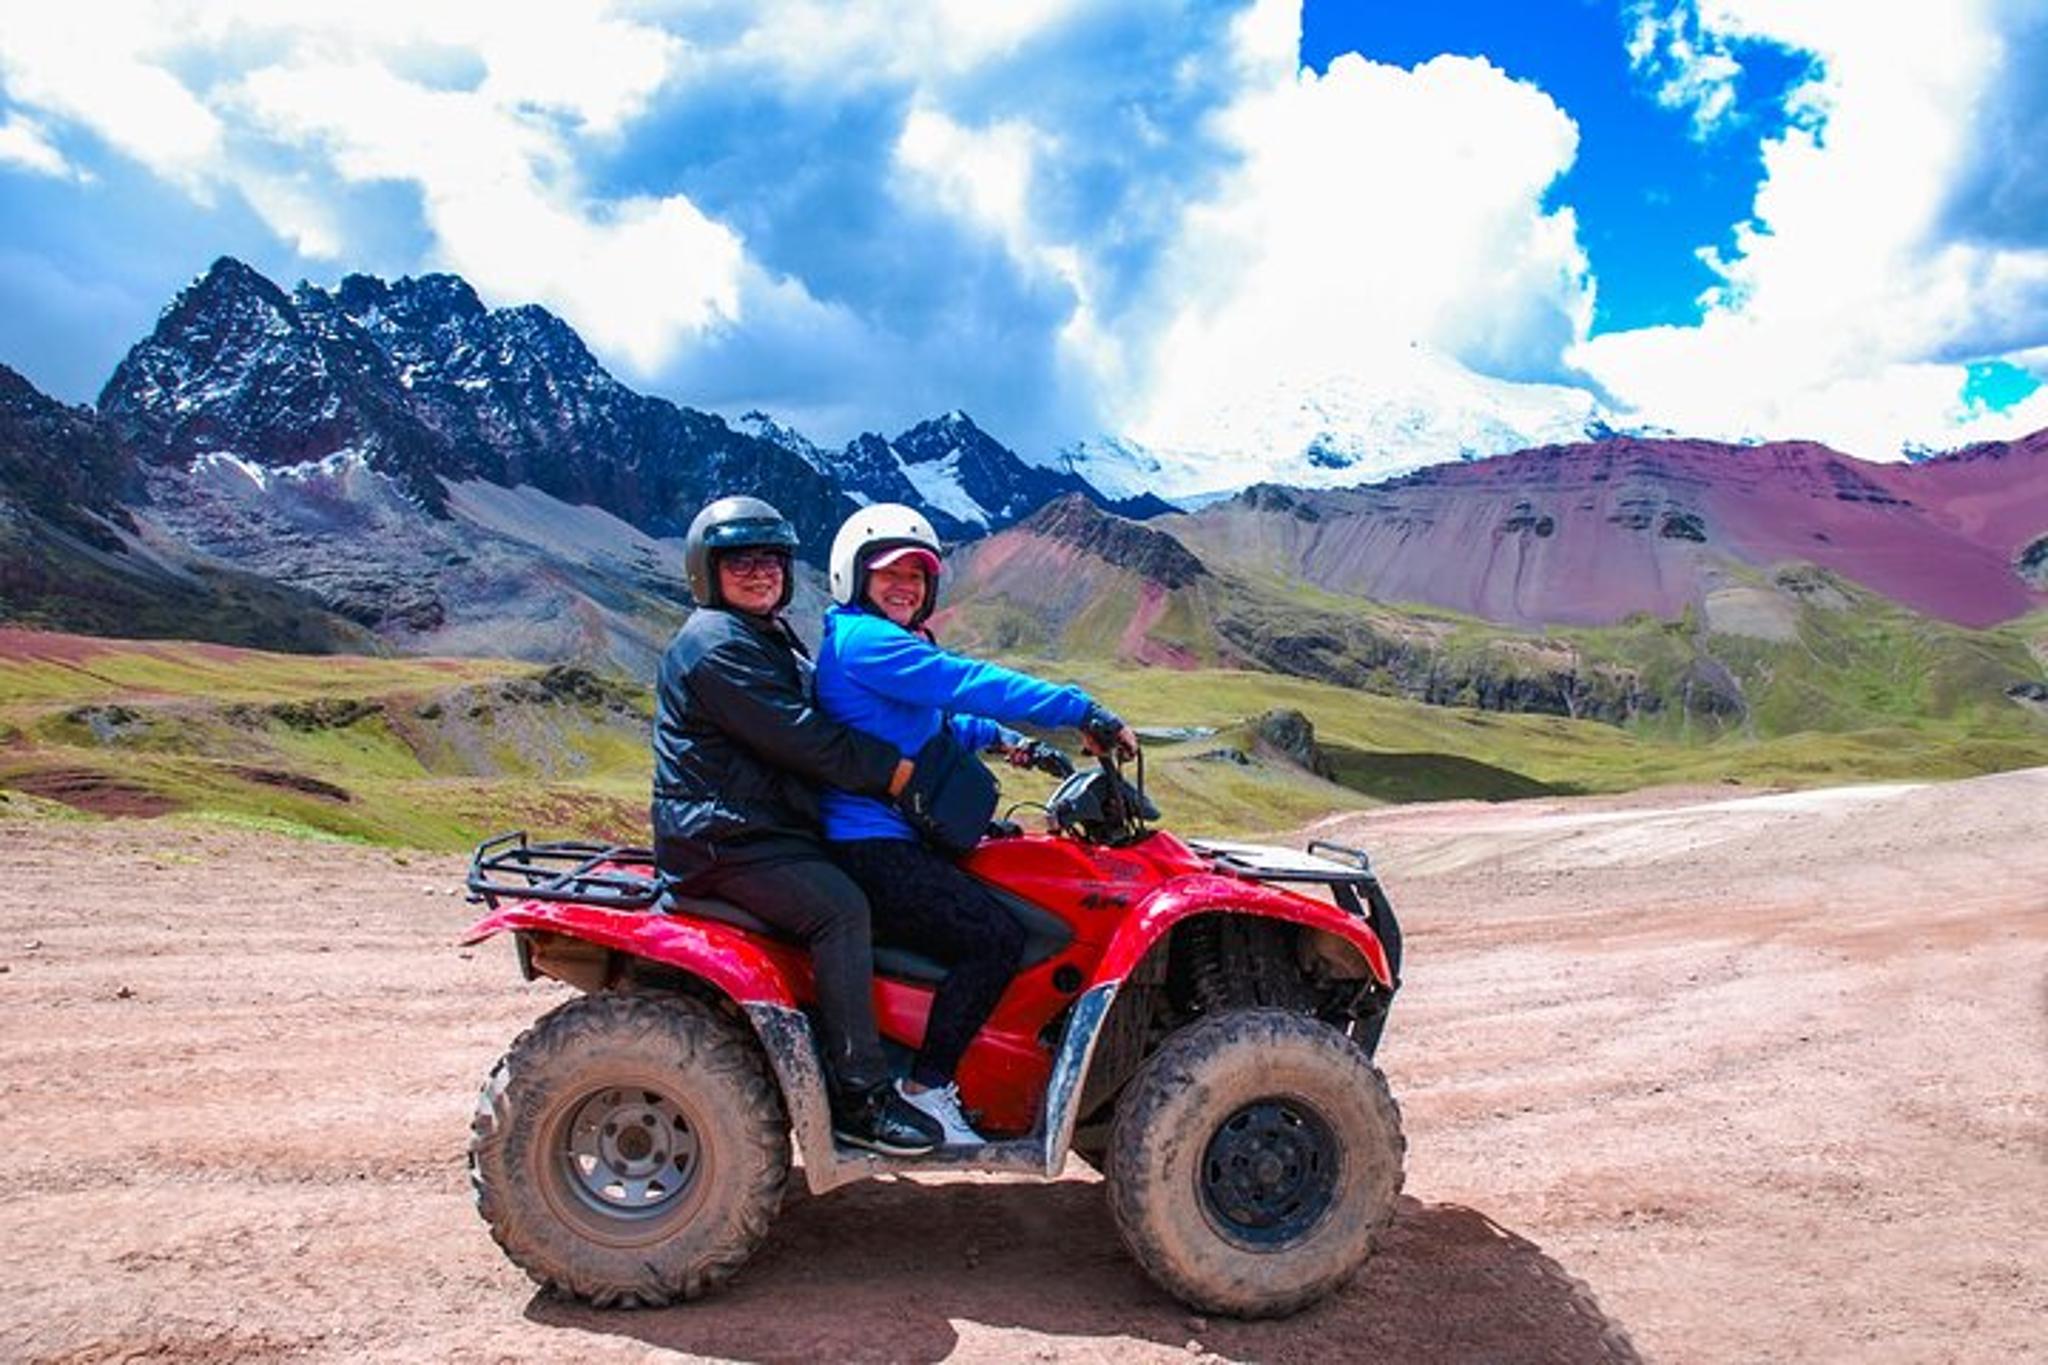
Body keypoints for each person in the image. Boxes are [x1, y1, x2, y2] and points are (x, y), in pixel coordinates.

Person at [814, 504, 1138, 1146]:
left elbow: (932, 724)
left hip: (895, 836)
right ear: (855, 576)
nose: (905, 586)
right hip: (872, 847)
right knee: (995, 938)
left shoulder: (873, 643)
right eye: (890, 573)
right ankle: (928, 1089)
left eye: (917, 575)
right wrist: (1080, 711)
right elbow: (964, 683)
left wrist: (1011, 743)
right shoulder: (866, 643)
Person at [651, 495, 943, 1156]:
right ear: (708, 570)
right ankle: (861, 1096)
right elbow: (805, 738)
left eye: (771, 561)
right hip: (727, 840)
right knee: (840, 910)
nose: (760, 573)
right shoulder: (714, 645)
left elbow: (834, 709)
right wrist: (897, 774)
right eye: (741, 562)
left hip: (752, 826)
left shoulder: (760, 634)